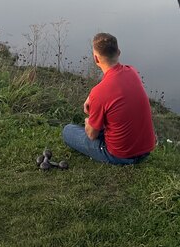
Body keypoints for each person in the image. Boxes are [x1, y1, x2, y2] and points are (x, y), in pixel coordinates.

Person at [62, 32, 156, 165]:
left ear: (96, 59)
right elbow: (113, 86)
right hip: (145, 150)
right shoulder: (132, 71)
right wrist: (91, 97)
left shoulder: (99, 93)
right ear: (118, 52)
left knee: (68, 131)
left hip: (120, 155)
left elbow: (92, 135)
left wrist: (88, 122)